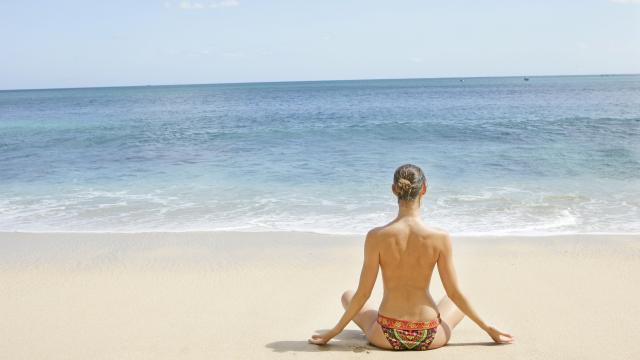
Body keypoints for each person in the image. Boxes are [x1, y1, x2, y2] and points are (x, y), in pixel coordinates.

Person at [308, 164, 514, 350]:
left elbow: (364, 294)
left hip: (386, 334)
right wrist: (488, 329)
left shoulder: (376, 236)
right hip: (430, 334)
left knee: (349, 295)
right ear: (423, 190)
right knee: (454, 301)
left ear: (394, 190)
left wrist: (333, 333)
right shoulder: (440, 237)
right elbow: (454, 293)